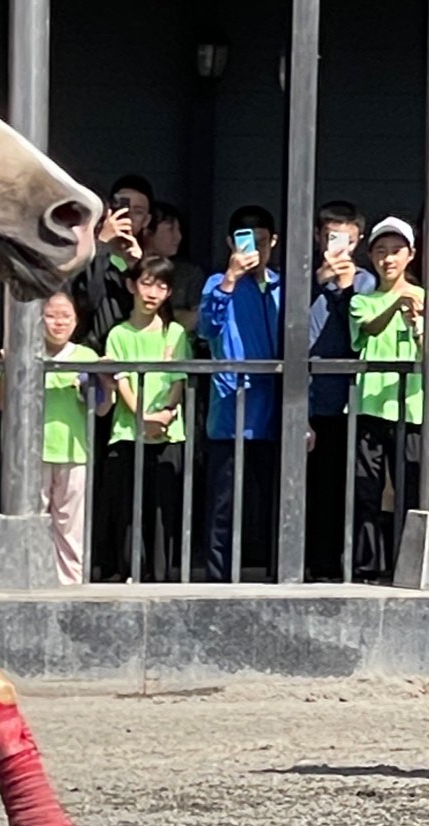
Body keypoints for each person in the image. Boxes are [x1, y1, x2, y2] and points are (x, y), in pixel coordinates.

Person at [196, 204, 281, 579]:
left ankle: (276, 574)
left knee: (274, 501)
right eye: (248, 243)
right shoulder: (219, 283)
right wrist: (230, 279)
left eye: (263, 243)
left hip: (276, 409)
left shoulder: (283, 286)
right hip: (231, 411)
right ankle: (218, 577)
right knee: (223, 504)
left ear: (274, 242)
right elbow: (206, 329)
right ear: (232, 244)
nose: (256, 252)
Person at [97, 254, 191, 580]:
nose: (152, 293)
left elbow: (179, 381)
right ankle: (126, 571)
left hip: (168, 430)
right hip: (127, 430)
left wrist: (165, 414)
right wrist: (142, 417)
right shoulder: (118, 334)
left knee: (163, 509)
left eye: (161, 286)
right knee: (126, 509)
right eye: (147, 284)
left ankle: (161, 575)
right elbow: (121, 379)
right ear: (131, 286)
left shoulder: (175, 333)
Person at [349, 218, 425, 582]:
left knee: (411, 490)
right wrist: (397, 303)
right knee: (367, 490)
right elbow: (367, 329)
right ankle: (367, 565)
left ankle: (404, 565)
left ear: (410, 255)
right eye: (380, 251)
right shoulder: (362, 300)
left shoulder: (428, 299)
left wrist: (420, 324)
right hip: (371, 408)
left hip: (412, 409)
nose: (388, 259)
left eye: (395, 251)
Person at [303, 203, 375, 579]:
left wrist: (346, 290)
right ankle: (312, 565)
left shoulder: (366, 282)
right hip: (308, 398)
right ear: (319, 237)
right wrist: (319, 280)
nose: (338, 246)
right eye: (331, 236)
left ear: (357, 239)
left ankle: (352, 566)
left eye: (346, 237)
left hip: (351, 400)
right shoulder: (303, 280)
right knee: (312, 489)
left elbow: (359, 335)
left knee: (352, 489)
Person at [38, 288, 108, 585]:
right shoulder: (27, 353)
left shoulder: (86, 356)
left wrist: (105, 378)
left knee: (70, 524)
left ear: (76, 321)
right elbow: (1, 402)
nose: (58, 323)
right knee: (35, 520)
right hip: (33, 453)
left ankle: (69, 582)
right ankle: (36, 577)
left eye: (65, 316)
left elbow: (103, 409)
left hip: (75, 449)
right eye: (51, 315)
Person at [72, 172, 151, 349]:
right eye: (122, 207)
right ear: (108, 211)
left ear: (147, 220)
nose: (128, 216)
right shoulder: (83, 254)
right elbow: (88, 301)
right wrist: (102, 243)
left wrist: (137, 268)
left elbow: (156, 311)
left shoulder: (149, 263)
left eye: (138, 212)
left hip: (134, 357)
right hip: (92, 357)